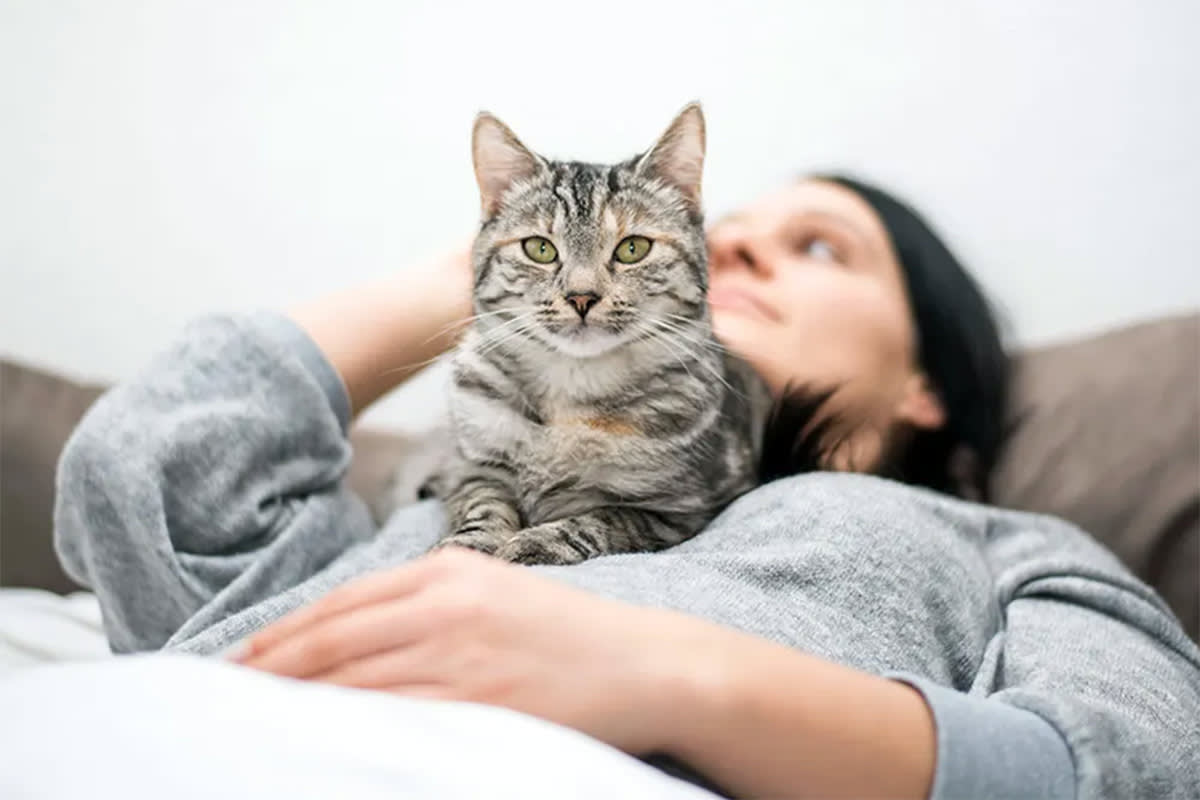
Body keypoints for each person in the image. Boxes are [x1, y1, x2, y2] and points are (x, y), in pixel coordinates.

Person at [19, 176, 1199, 799]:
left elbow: (1132, 768)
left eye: (819, 245)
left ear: (930, 380)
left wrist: (670, 673)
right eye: (700, 230)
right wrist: (495, 269)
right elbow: (139, 478)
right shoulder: (434, 498)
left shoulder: (1007, 544)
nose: (723, 248)